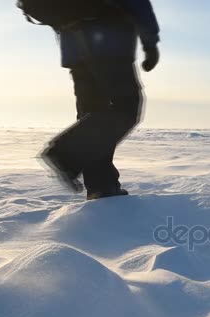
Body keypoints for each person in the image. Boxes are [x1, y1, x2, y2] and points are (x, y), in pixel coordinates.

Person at [39, 0, 160, 200]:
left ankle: (101, 188)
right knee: (126, 109)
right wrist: (150, 42)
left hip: (75, 49)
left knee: (93, 116)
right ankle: (65, 155)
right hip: (109, 41)